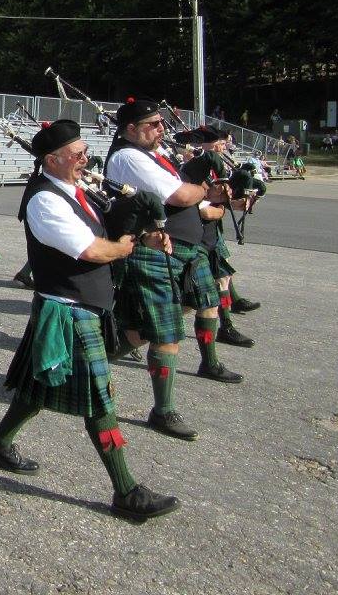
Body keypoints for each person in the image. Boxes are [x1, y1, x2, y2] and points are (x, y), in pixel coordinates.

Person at [0, 120, 180, 520]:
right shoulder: (44, 200)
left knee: (37, 386)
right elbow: (89, 251)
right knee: (100, 403)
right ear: (51, 160)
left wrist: (142, 233)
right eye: (78, 154)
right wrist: (126, 247)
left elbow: (110, 230)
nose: (86, 160)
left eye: (86, 152)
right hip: (67, 311)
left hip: (83, 307)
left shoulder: (75, 188)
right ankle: (126, 490)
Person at [105, 98, 241, 443]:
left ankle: (207, 362)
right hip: (153, 250)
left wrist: (220, 199)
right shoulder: (128, 157)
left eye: (161, 122)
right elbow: (179, 196)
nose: (162, 129)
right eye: (153, 124)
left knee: (186, 311)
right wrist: (203, 191)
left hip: (185, 248)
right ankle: (162, 410)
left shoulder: (151, 154)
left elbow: (188, 194)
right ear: (131, 129)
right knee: (163, 332)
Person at [181, 127, 254, 347]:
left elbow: (217, 199)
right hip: (199, 236)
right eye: (219, 143)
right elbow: (205, 209)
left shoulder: (214, 167)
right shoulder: (192, 169)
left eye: (223, 143)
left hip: (212, 232)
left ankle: (227, 323)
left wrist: (238, 202)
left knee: (221, 280)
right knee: (196, 299)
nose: (223, 147)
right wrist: (224, 207)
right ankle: (136, 331)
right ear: (205, 146)